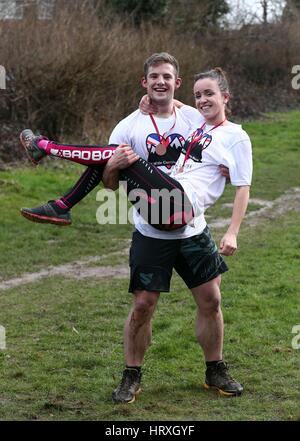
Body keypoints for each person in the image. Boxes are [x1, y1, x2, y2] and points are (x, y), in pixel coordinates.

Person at [20, 53, 252, 403]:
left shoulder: (195, 118)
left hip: (191, 225)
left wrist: (228, 178)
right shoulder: (130, 125)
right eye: (154, 77)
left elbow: (227, 157)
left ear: (177, 83)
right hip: (152, 225)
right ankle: (131, 375)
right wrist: (113, 166)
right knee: (143, 305)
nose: (161, 82)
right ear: (144, 83)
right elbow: (110, 184)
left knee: (211, 299)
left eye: (168, 77)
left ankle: (215, 368)